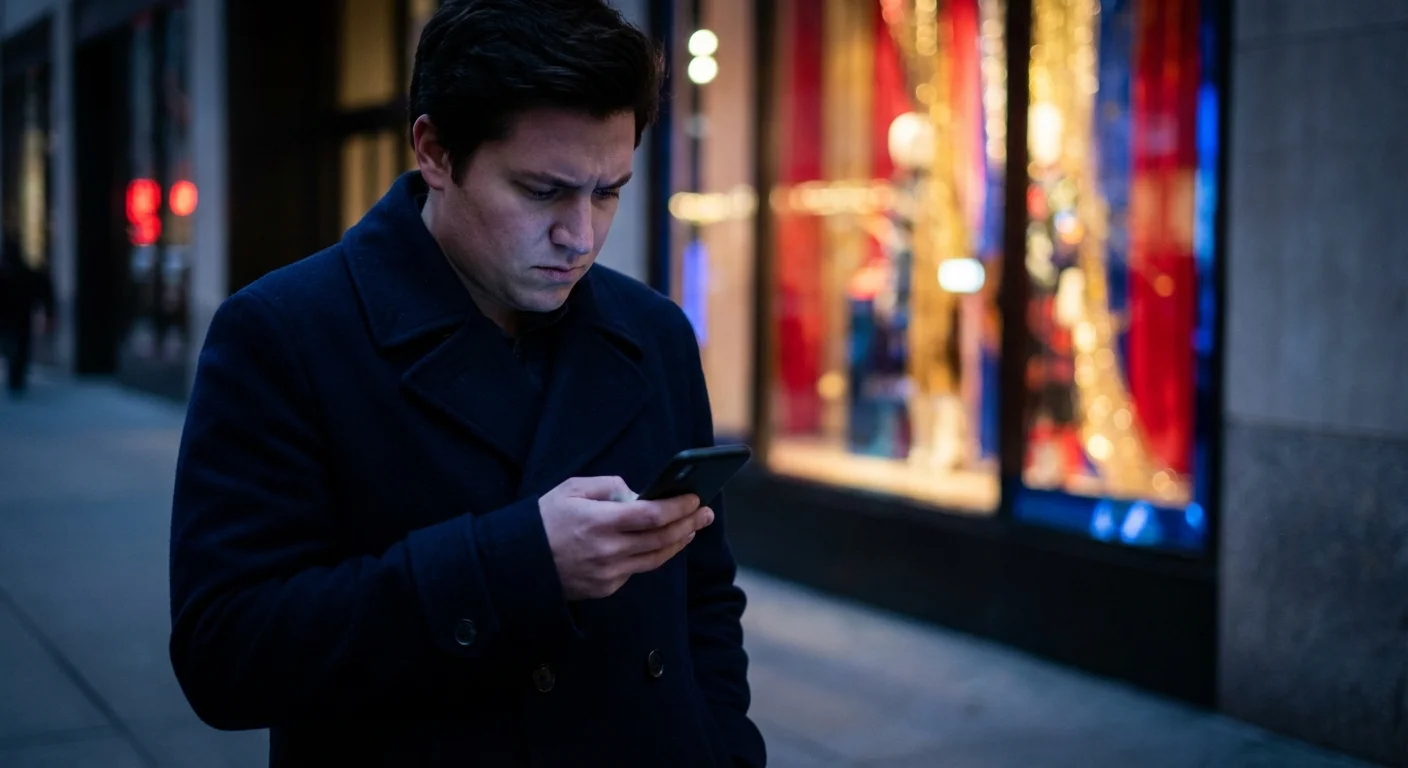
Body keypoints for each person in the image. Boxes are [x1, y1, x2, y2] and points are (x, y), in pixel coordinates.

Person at [167, 2, 766, 766]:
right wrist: (519, 567)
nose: (580, 235)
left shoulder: (652, 332)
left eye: (608, 192)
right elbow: (227, 654)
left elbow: (705, 599)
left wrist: (725, 749)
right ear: (436, 152)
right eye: (542, 191)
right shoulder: (285, 332)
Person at [0, 228, 55, 397]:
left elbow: (42, 291)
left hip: (13, 318)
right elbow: (42, 291)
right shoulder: (21, 272)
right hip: (18, 317)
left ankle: (16, 379)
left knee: (16, 348)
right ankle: (17, 379)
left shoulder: (13, 273)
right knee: (19, 348)